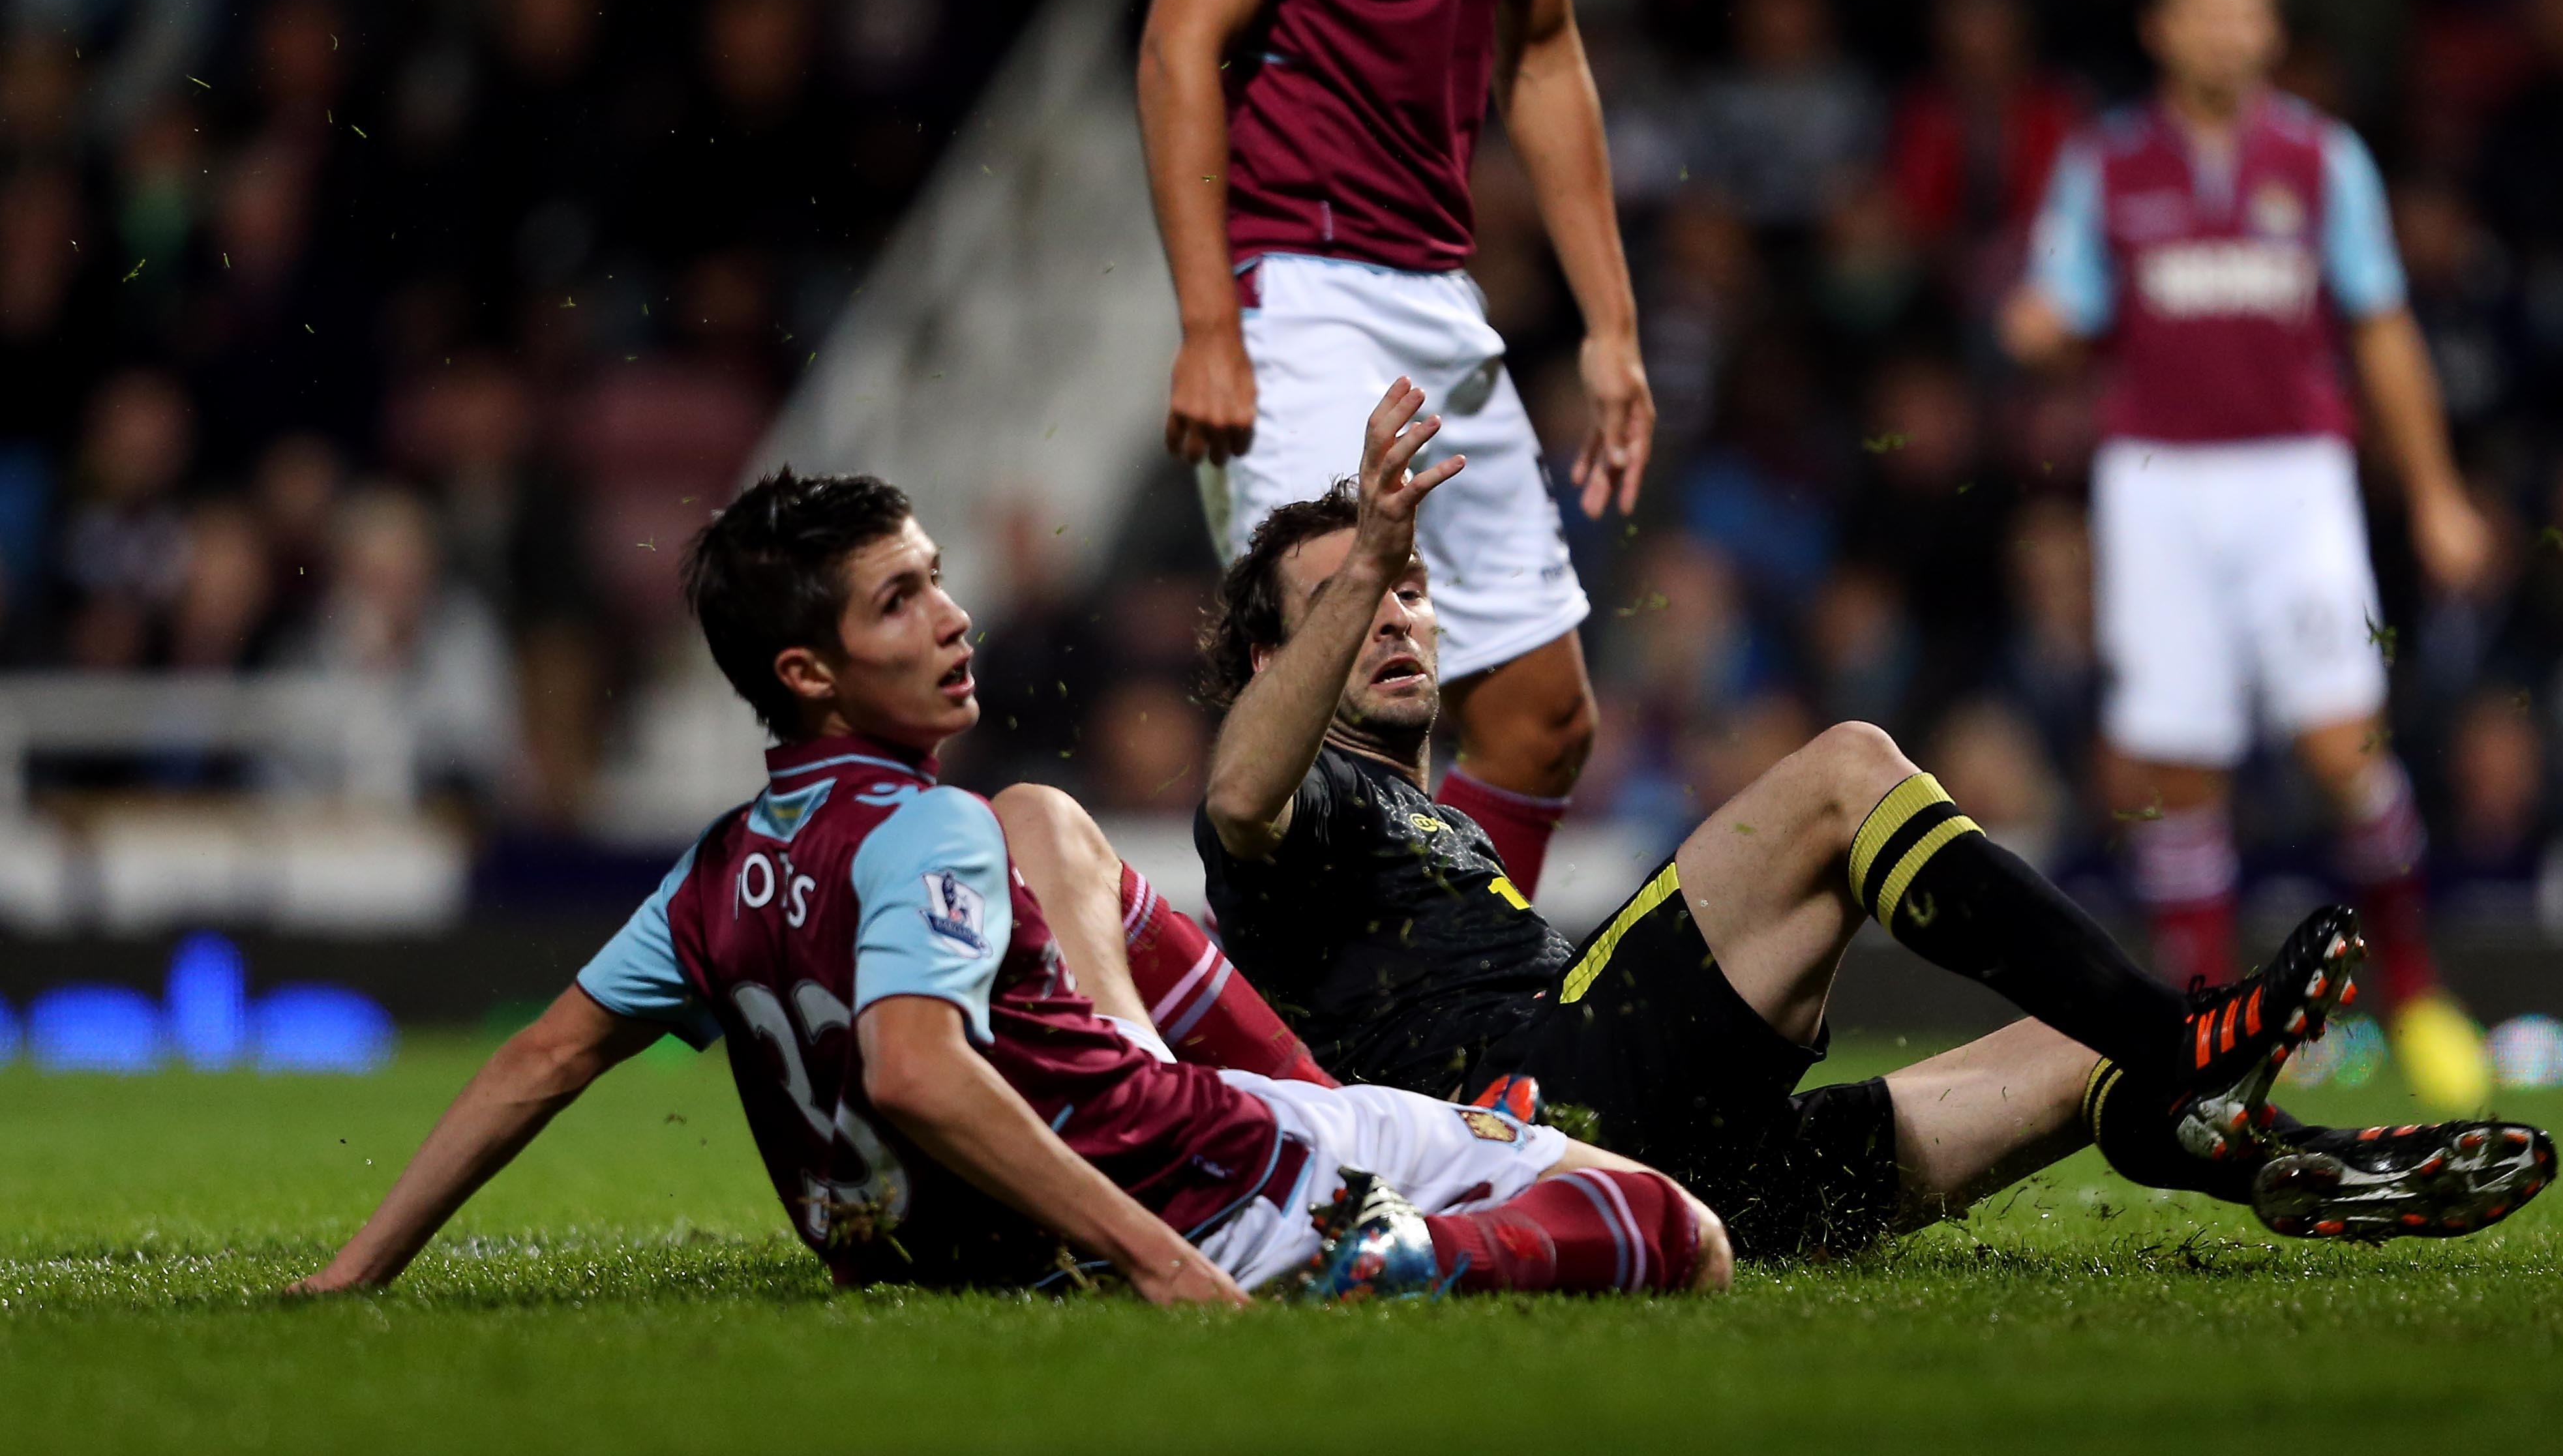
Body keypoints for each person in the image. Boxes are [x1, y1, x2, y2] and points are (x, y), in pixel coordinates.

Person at [1004, 381, 2560, 1258]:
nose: (1396, 615)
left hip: (1702, 1175)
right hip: (1521, 1118)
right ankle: (2181, 1031)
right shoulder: (1286, 808)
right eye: (1352, 602)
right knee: (1843, 768)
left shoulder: (1439, 827)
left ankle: (2281, 1165)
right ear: (1277, 655)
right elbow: (1227, 793)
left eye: (1409, 588)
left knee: (2067, 1061)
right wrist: (1355, 561)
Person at [288, 469, 1731, 1305]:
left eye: (936, 579)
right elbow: (914, 1073)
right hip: (1203, 1182)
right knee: (1683, 1230)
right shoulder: (932, 831)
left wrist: (354, 1274)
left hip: (985, 1235)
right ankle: (1411, 1244)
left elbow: (542, 1058)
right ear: (808, 673)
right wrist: (1161, 1261)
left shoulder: (715, 869)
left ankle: (1413, 1140)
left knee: (1067, 835)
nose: (955, 615)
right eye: (901, 599)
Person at [1138, 0, 1648, 897]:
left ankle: (1444, 1024)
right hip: (1292, 287)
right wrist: (1205, 320)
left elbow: (1540, 54)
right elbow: (1179, 45)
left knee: (1542, 719)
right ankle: (1323, 1074)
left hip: (1432, 290)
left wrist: (1609, 324)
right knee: (1340, 715)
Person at [1998, 0, 2496, 1113]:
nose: (2228, 28)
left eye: (2249, 8)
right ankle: (2211, 1031)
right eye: (2205, 6)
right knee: (2180, 767)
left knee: (2343, 748)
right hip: (2157, 480)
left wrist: (2434, 493)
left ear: (2273, 31)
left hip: (2296, 478)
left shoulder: (2324, 161)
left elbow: (2380, 326)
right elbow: (2059, 303)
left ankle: (2415, 986)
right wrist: (2039, 327)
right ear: (2160, 27)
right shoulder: (2106, 164)